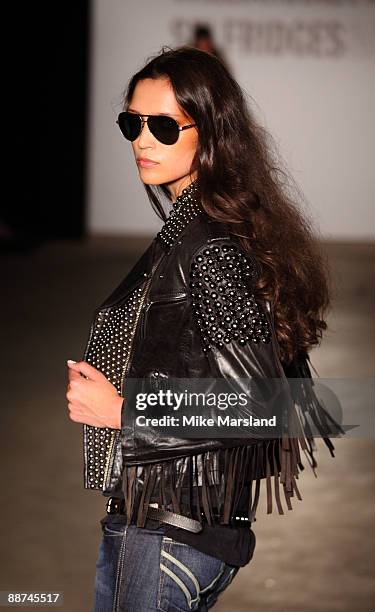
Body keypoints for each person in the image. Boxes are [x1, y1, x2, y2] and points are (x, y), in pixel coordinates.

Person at [66, 45, 344, 611]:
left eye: (164, 126)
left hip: (168, 535)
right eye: (132, 123)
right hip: (158, 520)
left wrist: (121, 411)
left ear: (210, 134)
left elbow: (263, 405)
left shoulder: (211, 249)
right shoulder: (191, 233)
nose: (142, 140)